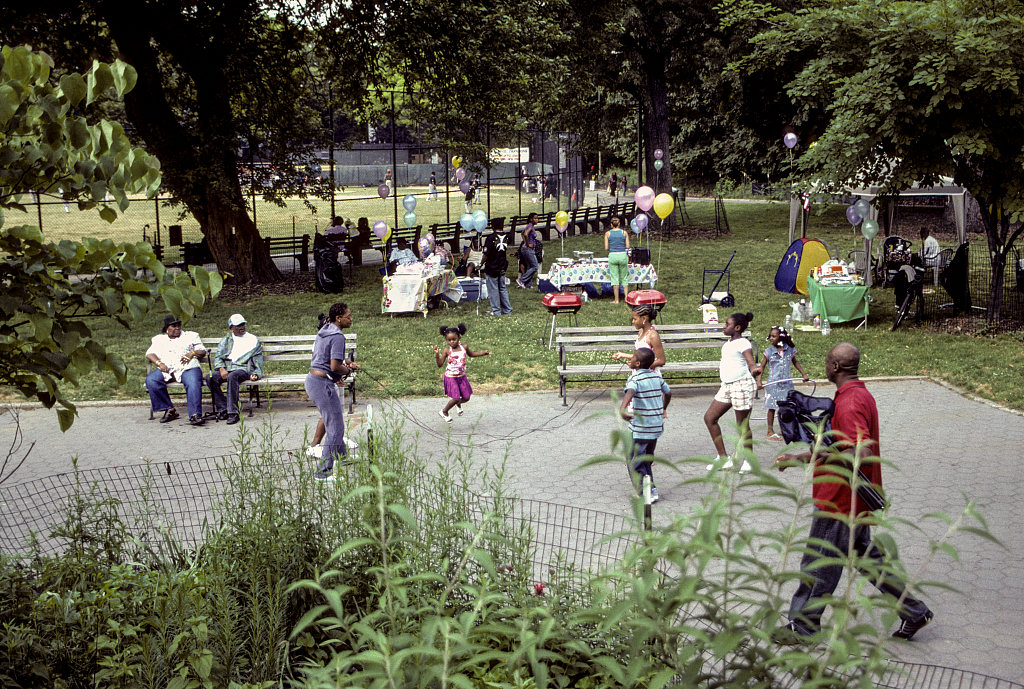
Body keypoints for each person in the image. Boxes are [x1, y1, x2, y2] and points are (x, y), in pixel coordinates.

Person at [773, 343, 934, 642]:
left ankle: (803, 626)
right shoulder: (858, 394)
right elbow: (838, 446)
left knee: (819, 561)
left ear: (835, 366)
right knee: (867, 559)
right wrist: (799, 459)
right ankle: (914, 611)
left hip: (839, 499)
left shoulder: (849, 403)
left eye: (826, 361)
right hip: (854, 497)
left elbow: (861, 449)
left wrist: (840, 466)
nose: (824, 366)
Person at [306, 302, 359, 481]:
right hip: (321, 384)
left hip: (313, 379)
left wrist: (339, 373)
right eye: (348, 316)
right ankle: (323, 473)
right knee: (335, 427)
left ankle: (342, 458)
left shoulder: (326, 329)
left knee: (335, 422)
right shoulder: (338, 336)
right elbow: (335, 365)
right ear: (339, 318)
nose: (351, 319)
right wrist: (348, 371)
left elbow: (322, 356)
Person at [703, 312, 762, 473]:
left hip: (742, 385)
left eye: (727, 324)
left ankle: (749, 460)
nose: (724, 326)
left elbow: (750, 361)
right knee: (710, 418)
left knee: (742, 425)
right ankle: (724, 458)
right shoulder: (727, 344)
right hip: (727, 386)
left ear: (737, 328)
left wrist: (754, 369)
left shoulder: (743, 343)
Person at [619, 347, 671, 503]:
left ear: (637, 363)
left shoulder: (634, 379)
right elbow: (668, 393)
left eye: (633, 357)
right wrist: (663, 408)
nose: (631, 358)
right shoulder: (656, 377)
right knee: (646, 459)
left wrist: (623, 408)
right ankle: (652, 489)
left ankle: (644, 493)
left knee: (635, 460)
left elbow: (630, 392)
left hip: (641, 429)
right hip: (655, 427)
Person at [145, 315, 208, 426]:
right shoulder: (159, 339)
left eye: (178, 325)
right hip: (168, 369)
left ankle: (195, 415)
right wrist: (159, 363)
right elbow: (150, 353)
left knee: (193, 383)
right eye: (173, 326)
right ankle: (170, 410)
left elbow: (202, 350)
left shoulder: (191, 335)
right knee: (151, 380)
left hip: (188, 367)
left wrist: (192, 353)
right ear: (166, 328)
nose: (177, 328)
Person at [208, 313, 264, 425]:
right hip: (227, 369)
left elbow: (258, 360)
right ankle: (223, 409)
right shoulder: (226, 340)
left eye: (243, 324)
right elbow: (218, 356)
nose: (242, 327)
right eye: (238, 325)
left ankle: (233, 413)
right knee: (210, 377)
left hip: (243, 369)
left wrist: (256, 374)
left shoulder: (252, 340)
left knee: (233, 377)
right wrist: (221, 369)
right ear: (231, 328)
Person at [757, 326, 809, 441]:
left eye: (773, 336)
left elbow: (795, 362)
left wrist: (804, 374)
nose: (770, 338)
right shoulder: (769, 352)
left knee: (786, 408)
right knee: (771, 407)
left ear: (781, 338)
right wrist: (759, 381)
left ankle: (784, 429)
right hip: (773, 384)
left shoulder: (790, 350)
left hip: (786, 384)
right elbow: (762, 367)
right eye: (770, 336)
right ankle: (770, 431)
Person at [434, 323, 490, 422]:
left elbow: (471, 354)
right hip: (451, 377)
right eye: (449, 340)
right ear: (446, 340)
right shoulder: (447, 351)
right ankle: (444, 411)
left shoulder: (464, 347)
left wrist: (482, 353)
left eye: (454, 339)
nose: (452, 342)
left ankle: (458, 404)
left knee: (466, 397)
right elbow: (439, 364)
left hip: (461, 376)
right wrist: (437, 354)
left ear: (459, 337)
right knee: (455, 397)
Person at [612, 304, 666, 370]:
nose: (633, 321)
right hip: (639, 374)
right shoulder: (640, 332)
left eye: (635, 319)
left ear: (644, 318)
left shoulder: (652, 336)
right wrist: (623, 355)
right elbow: (641, 357)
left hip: (649, 375)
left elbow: (661, 360)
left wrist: (639, 366)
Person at [482, 230, 513, 316]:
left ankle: (496, 311)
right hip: (502, 265)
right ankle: (507, 310)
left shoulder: (490, 238)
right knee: (503, 288)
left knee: (493, 289)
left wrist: (480, 264)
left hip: (492, 266)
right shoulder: (507, 236)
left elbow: (486, 254)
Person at [604, 217, 631, 303]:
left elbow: (606, 248)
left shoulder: (607, 234)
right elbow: (627, 246)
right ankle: (626, 298)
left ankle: (616, 300)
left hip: (613, 256)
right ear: (619, 224)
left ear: (611, 225)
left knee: (614, 278)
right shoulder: (624, 233)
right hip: (622, 255)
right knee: (624, 277)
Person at [516, 212, 540, 289]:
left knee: (530, 266)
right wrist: (527, 243)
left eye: (537, 218)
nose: (537, 220)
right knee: (535, 266)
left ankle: (528, 285)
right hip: (528, 249)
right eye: (535, 218)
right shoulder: (530, 226)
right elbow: (525, 234)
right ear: (531, 219)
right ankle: (521, 280)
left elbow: (522, 233)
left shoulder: (530, 226)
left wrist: (525, 242)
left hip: (528, 249)